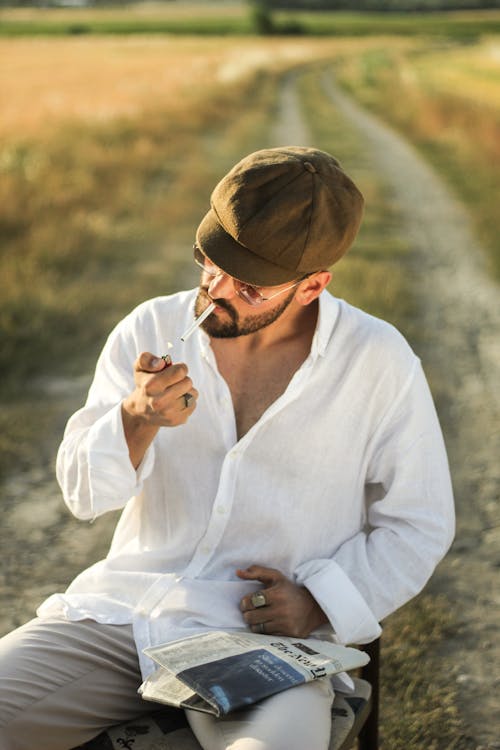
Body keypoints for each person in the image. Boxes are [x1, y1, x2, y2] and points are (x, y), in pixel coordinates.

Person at [0, 146, 455, 750]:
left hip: (266, 648)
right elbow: (84, 496)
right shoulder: (149, 328)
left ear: (314, 285)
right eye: (209, 262)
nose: (216, 291)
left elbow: (418, 522)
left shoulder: (378, 360)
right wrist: (136, 418)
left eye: (249, 287)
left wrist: (321, 603)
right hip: (123, 616)